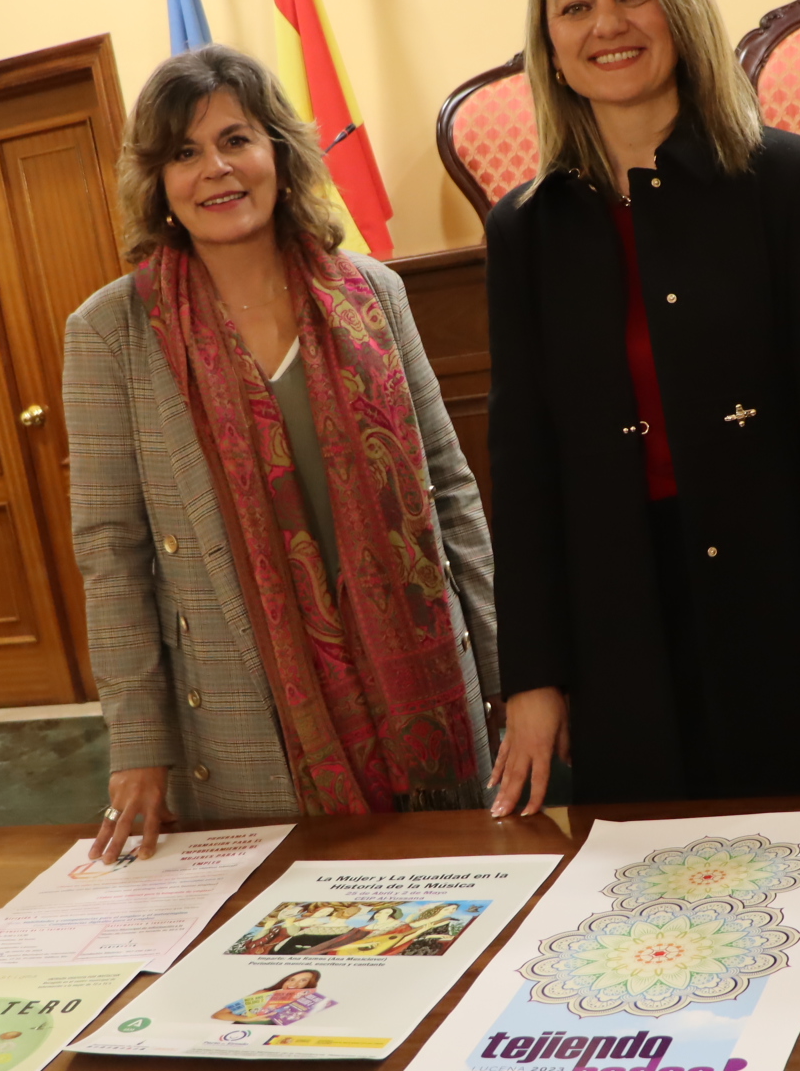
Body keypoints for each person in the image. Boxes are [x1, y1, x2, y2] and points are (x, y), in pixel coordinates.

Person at [484, 0, 800, 815]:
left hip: (790, 615)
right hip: (619, 631)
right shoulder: (525, 230)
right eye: (573, 8)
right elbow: (525, 469)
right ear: (550, 45)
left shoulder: (788, 182)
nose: (605, 25)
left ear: (679, 10)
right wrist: (532, 678)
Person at [68, 45, 500, 861]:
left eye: (236, 140)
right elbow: (111, 555)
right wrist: (136, 744)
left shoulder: (374, 292)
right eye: (185, 154)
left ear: (278, 151)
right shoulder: (111, 332)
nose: (216, 171)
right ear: (157, 181)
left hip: (427, 694)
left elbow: (452, 492)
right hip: (243, 716)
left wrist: (511, 676)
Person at [213, 969, 332, 1025]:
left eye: (303, 980)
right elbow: (219, 1014)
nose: (294, 984)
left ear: (309, 985)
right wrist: (248, 1019)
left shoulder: (310, 1001)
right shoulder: (263, 994)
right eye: (292, 979)